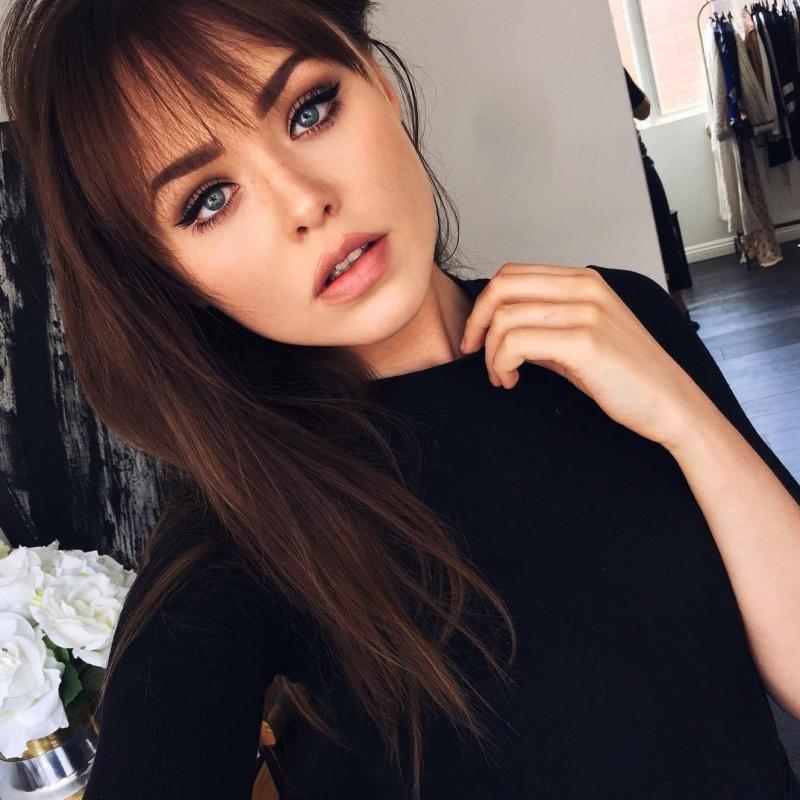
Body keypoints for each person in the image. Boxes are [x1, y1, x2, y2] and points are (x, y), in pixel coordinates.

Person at [2, 2, 800, 798]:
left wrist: (687, 421)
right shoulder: (237, 539)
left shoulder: (619, 317)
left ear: (380, 85)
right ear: (174, 278)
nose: (304, 200)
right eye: (210, 198)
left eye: (309, 110)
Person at [624, 67, 700, 331]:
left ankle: (662, 314)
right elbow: (643, 110)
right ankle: (678, 309)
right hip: (636, 162)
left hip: (615, 168)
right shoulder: (608, 66)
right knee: (663, 234)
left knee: (643, 237)